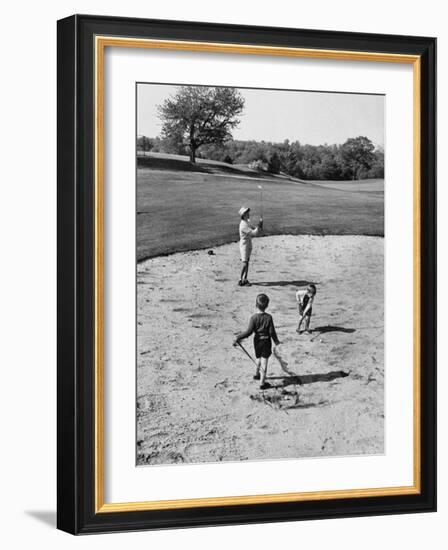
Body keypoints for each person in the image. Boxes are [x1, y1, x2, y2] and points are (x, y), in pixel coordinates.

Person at [233, 293, 280, 390]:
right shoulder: (269, 317)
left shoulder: (253, 318)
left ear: (256, 304)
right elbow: (272, 332)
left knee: (258, 357)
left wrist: (238, 337)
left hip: (257, 341)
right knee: (264, 362)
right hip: (266, 341)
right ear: (267, 306)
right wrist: (276, 342)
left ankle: (256, 374)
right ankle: (262, 383)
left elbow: (249, 332)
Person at [238, 206, 262, 286]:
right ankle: (240, 279)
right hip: (244, 245)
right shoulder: (243, 225)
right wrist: (259, 226)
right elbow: (253, 233)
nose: (249, 214)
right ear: (243, 215)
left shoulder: (247, 221)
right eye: (247, 213)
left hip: (248, 243)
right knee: (244, 263)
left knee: (247, 262)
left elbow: (254, 229)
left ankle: (245, 279)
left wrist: (259, 226)